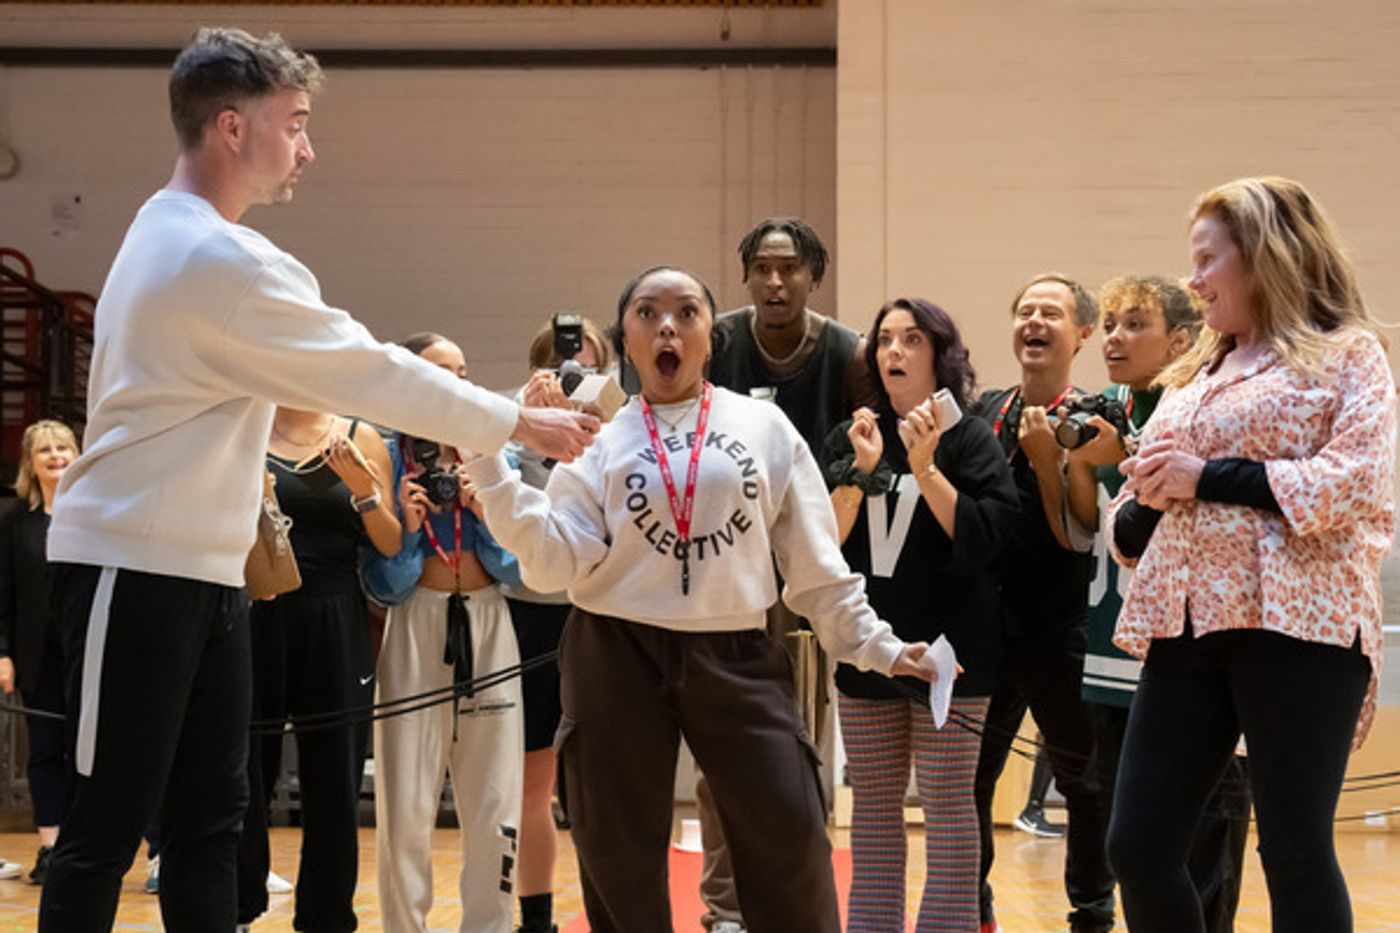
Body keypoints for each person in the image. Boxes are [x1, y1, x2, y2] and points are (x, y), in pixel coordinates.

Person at [39, 28, 597, 933]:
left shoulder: (176, 229)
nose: (308, 146)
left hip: (212, 575)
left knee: (212, 821)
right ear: (230, 127)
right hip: (129, 572)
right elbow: (367, 369)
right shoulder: (211, 257)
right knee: (104, 829)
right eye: (294, 124)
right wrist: (516, 420)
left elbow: (356, 371)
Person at [466, 265, 934, 933]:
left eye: (686, 312)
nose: (667, 326)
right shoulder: (597, 440)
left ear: (709, 336)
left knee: (791, 828)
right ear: (626, 341)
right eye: (648, 313)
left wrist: (879, 645)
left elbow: (814, 560)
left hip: (736, 646)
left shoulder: (763, 425)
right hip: (614, 648)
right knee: (617, 849)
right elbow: (551, 563)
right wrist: (492, 476)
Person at [1105, 177, 1395, 933]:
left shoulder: (1348, 355)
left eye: (1207, 260)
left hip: (1301, 625)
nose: (1192, 280)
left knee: (1293, 849)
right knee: (1137, 843)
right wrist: (1143, 508)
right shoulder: (1193, 377)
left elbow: (1359, 478)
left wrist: (1206, 478)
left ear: (1266, 256)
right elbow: (1132, 517)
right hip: (1188, 622)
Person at [823, 299, 1018, 932]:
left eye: (911, 339)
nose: (894, 352)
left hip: (952, 657)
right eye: (884, 340)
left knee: (947, 804)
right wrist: (862, 468)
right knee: (874, 812)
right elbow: (825, 541)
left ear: (939, 353)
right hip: (869, 649)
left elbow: (990, 538)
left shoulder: (971, 437)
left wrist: (926, 467)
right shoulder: (856, 432)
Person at [1065, 275, 1252, 932]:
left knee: (1205, 853)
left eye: (1133, 323)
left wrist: (1132, 458)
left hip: (1193, 659)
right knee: (1132, 848)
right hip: (1110, 656)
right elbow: (1083, 528)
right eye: (1110, 323)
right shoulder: (1098, 410)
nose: (1114, 336)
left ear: (1182, 337)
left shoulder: (1202, 408)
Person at [700, 215, 863, 933]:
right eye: (762, 268)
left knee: (799, 745)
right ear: (746, 277)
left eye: (789, 268)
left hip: (813, 561)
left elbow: (868, 460)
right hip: (722, 568)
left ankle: (794, 902)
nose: (775, 280)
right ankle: (724, 907)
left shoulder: (847, 352)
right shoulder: (720, 342)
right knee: (719, 744)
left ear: (812, 276)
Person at [360, 332, 525, 933]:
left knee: (496, 800)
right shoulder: (381, 452)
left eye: (463, 371)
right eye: (440, 371)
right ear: (408, 378)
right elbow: (383, 585)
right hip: (415, 625)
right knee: (405, 803)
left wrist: (490, 516)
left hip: (487, 621)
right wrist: (406, 528)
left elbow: (516, 569)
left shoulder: (488, 450)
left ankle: (489, 926)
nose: (456, 383)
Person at [970, 273, 1113, 933]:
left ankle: (1091, 911)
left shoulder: (1096, 419)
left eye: (1050, 312)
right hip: (986, 630)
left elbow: (1084, 532)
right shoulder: (981, 413)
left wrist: (1048, 458)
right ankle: (974, 907)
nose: (1034, 321)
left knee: (1085, 785)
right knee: (968, 781)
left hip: (1063, 631)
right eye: (1024, 309)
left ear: (1082, 333)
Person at [234, 407, 399, 933]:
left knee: (335, 772)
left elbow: (389, 541)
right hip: (255, 608)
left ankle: (326, 917)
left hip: (334, 613)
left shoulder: (358, 435)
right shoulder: (244, 424)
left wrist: (363, 489)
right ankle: (236, 905)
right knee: (242, 767)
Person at [504, 315, 614, 933]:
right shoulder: (512, 428)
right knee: (532, 782)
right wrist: (530, 433)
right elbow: (521, 518)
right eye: (563, 365)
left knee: (597, 783)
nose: (575, 377)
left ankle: (609, 910)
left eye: (588, 367)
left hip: (594, 615)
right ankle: (537, 920)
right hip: (525, 617)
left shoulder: (618, 432)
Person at [0, 420, 79, 885]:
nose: (55, 457)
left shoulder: (99, 512)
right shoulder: (15, 523)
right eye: (44, 450)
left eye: (63, 448)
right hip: (38, 656)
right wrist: (3, 653)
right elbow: (3, 595)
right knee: (46, 751)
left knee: (99, 752)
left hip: (91, 653)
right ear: (30, 462)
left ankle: (144, 851)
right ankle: (52, 847)